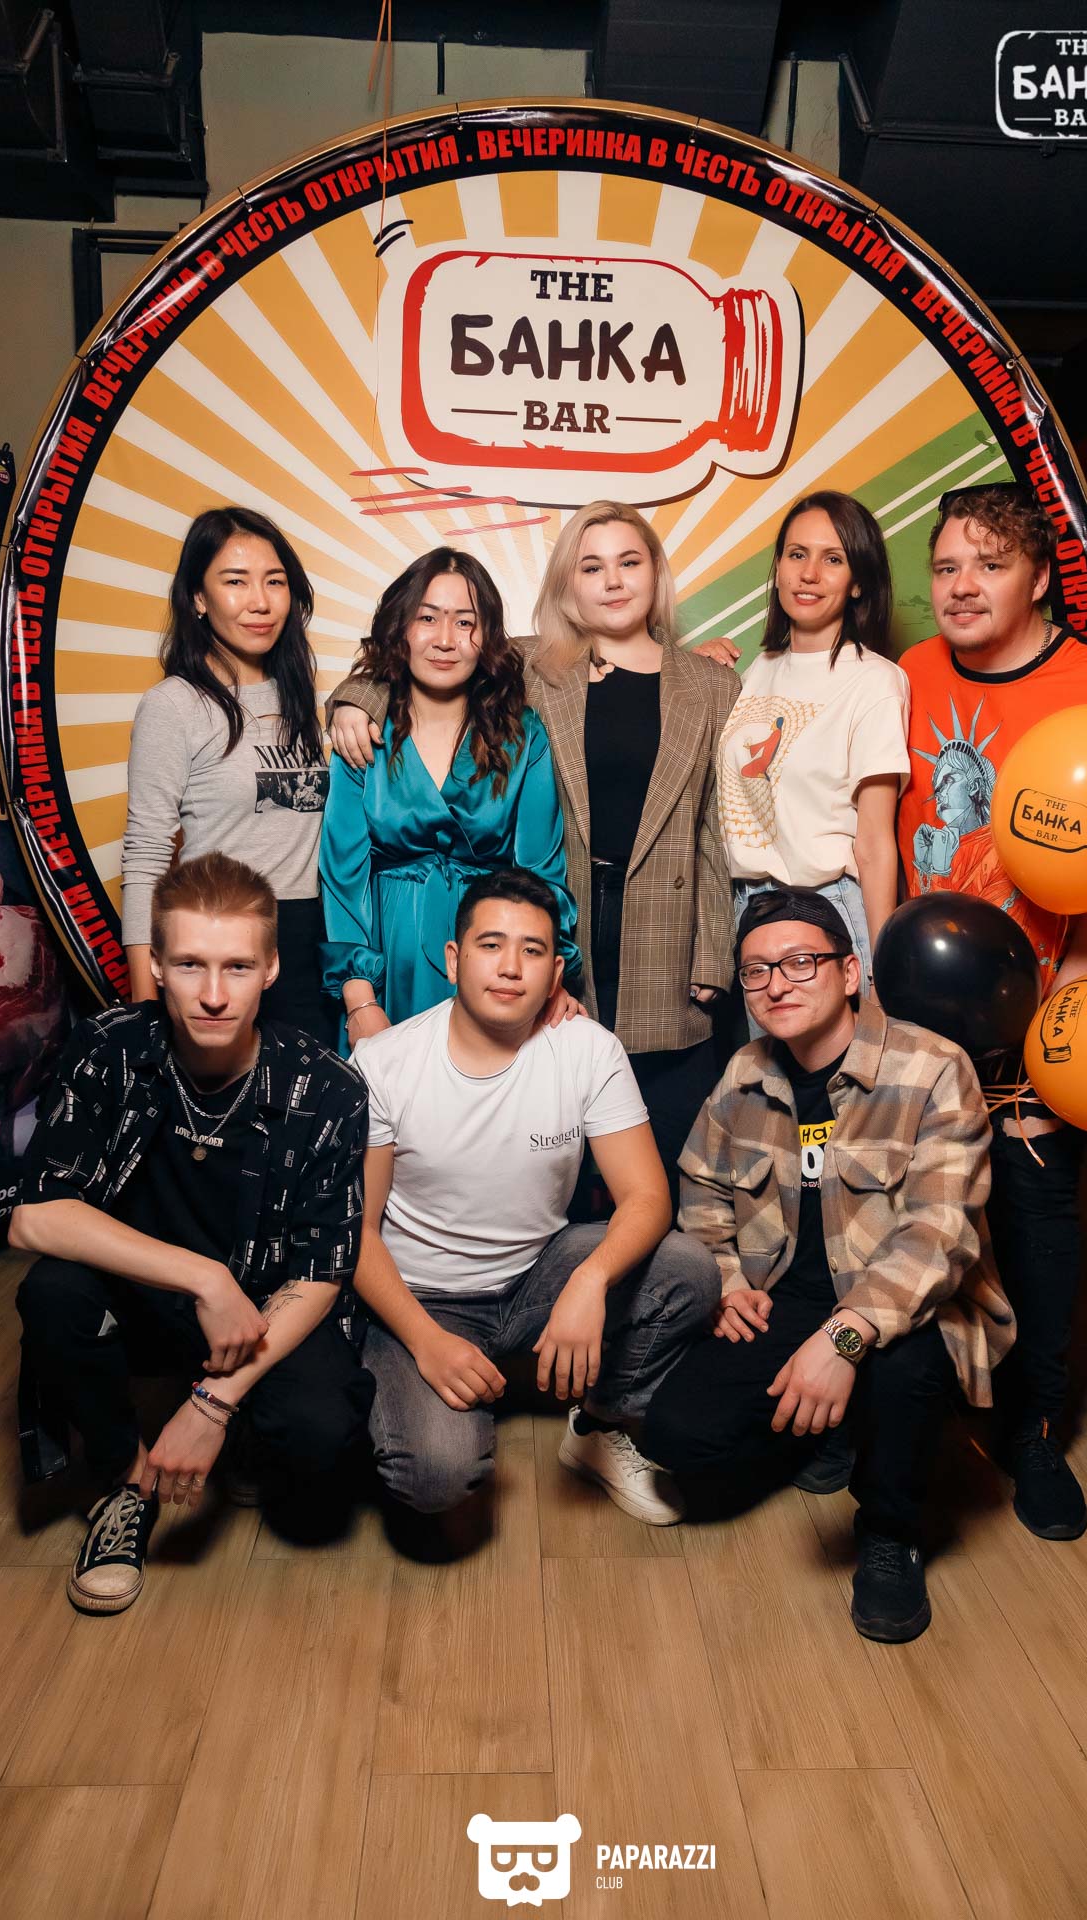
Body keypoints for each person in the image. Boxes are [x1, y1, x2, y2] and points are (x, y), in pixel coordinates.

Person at [328, 506, 739, 1200]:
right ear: (567, 584)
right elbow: (427, 650)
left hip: (640, 927)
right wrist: (353, 699)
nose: (613, 581)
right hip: (534, 919)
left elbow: (713, 828)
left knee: (635, 1124)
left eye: (629, 562)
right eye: (591, 565)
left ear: (656, 572)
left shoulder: (708, 682)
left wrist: (712, 955)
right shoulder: (539, 664)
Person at [643, 887, 1013, 1642]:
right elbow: (703, 1186)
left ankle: (891, 1531)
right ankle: (826, 1431)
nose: (776, 984)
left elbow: (940, 1234)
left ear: (849, 973)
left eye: (800, 963)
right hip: (786, 1296)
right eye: (756, 971)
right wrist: (727, 1280)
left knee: (901, 1374)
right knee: (676, 1436)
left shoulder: (933, 1067)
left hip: (905, 1306)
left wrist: (844, 1340)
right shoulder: (745, 1072)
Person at [10, 852, 374, 1615]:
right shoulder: (109, 1048)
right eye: (189, 965)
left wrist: (212, 1404)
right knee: (53, 1294)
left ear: (271, 968)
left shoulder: (327, 1086)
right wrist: (203, 1277)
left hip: (265, 1309)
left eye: (237, 966)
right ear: (156, 965)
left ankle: (240, 1432)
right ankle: (127, 1482)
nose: (213, 994)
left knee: (316, 1451)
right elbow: (35, 1215)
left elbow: (323, 1268)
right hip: (146, 1300)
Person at [897, 482, 1087, 1541]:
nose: (962, 587)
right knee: (906, 1215)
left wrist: (1061, 1024)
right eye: (946, 567)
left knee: (1033, 1216)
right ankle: (902, 1420)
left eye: (989, 565)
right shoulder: (909, 672)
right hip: (917, 1016)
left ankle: (1035, 1429)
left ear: (1041, 576)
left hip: (1041, 1015)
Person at [351, 867, 720, 1527]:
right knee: (435, 1477)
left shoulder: (588, 1050)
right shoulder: (386, 1062)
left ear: (554, 974)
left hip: (537, 1275)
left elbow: (646, 1196)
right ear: (454, 959)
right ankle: (402, 1400)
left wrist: (590, 1281)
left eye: (532, 950)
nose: (510, 967)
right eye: (491, 945)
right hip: (423, 1297)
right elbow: (357, 1231)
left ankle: (599, 1425)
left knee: (688, 1270)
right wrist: (425, 1341)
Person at [317, 548, 580, 1054]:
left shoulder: (523, 736)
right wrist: (360, 1000)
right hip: (385, 964)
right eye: (427, 618)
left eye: (465, 622)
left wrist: (550, 976)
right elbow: (342, 877)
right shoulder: (362, 731)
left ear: (488, 637)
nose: (445, 640)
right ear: (400, 628)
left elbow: (542, 874)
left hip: (494, 960)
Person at [121, 507, 333, 1043]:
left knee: (310, 1090)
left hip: (311, 936)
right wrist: (145, 1009)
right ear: (198, 597)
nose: (260, 601)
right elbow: (146, 852)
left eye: (274, 581)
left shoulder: (305, 699)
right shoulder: (174, 705)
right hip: (219, 936)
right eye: (235, 581)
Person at [716, 491, 909, 997]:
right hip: (749, 912)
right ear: (779, 568)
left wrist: (881, 967)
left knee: (849, 1051)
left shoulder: (875, 680)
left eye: (833, 559)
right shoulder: (759, 669)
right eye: (797, 554)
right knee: (765, 1053)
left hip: (828, 910)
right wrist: (694, 671)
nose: (809, 574)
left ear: (858, 581)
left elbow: (874, 841)